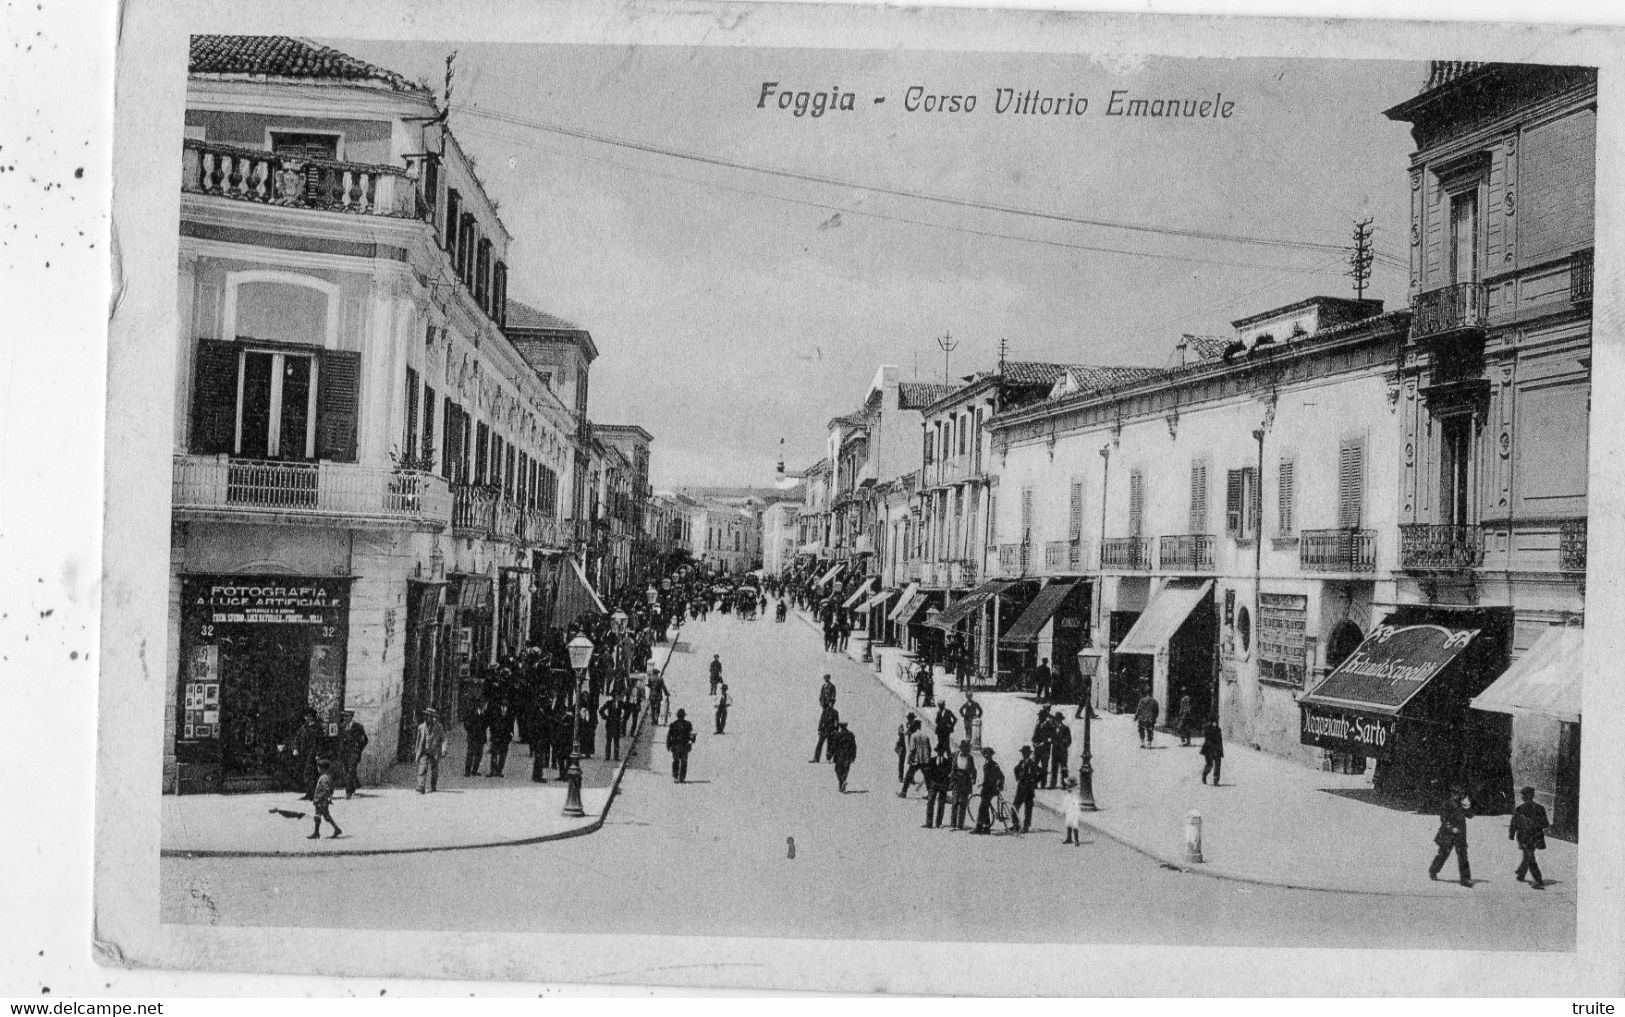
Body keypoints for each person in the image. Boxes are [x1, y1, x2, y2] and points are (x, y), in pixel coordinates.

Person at [1428, 787, 1473, 887]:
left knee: (1463, 856)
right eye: (1457, 794)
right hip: (1447, 834)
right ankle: (1433, 870)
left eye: (1460, 794)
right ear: (1452, 794)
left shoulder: (1461, 804)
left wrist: (1468, 806)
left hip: (1460, 835)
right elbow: (1444, 819)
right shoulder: (1447, 804)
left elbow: (1470, 815)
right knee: (1443, 855)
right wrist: (1451, 828)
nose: (1458, 796)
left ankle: (1465, 879)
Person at [1509, 786, 1549, 889]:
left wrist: (1512, 834)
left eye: (1523, 795)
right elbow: (1545, 824)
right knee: (1528, 855)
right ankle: (1521, 873)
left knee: (1530, 857)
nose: (1522, 797)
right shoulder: (1540, 808)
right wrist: (1536, 826)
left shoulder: (1520, 809)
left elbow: (1514, 823)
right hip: (1535, 837)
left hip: (1525, 837)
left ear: (1527, 796)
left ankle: (1538, 880)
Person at [413, 707, 446, 794]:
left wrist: (443, 750)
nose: (428, 718)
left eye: (430, 717)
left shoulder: (438, 727)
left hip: (435, 752)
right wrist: (417, 752)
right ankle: (421, 786)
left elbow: (443, 739)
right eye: (427, 716)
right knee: (422, 768)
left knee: (434, 770)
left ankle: (433, 785)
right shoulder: (421, 727)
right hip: (424, 751)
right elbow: (418, 741)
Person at [307, 758, 342, 840]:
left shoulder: (324, 778)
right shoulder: (326, 777)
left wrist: (322, 798)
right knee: (322, 816)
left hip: (321, 801)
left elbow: (326, 789)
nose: (318, 769)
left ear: (322, 768)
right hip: (322, 800)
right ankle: (317, 832)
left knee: (322, 816)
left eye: (319, 767)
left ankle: (334, 829)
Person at [292, 708, 323, 799]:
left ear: (311, 717)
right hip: (303, 754)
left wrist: (318, 754)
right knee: (305, 773)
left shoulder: (317, 728)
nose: (306, 718)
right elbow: (297, 739)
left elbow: (321, 743)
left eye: (308, 716)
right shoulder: (303, 728)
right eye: (306, 716)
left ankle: (313, 793)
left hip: (312, 754)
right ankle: (308, 793)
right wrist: (295, 748)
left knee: (310, 773)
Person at [973, 748, 1005, 834]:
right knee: (985, 807)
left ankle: (979, 828)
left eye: (988, 756)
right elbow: (987, 778)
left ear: (991, 756)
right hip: (987, 789)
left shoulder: (994, 765)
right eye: (985, 755)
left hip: (992, 789)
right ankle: (986, 828)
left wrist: (998, 784)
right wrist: (982, 784)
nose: (986, 757)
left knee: (982, 807)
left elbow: (1000, 776)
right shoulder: (985, 765)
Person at [337, 710, 368, 799]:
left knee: (350, 771)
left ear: (351, 717)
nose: (345, 718)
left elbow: (365, 739)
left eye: (346, 717)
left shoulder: (358, 727)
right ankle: (354, 786)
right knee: (348, 771)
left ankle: (348, 792)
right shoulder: (343, 726)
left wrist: (358, 749)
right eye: (344, 717)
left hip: (353, 753)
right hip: (345, 753)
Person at [948, 739, 977, 831]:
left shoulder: (970, 758)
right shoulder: (955, 755)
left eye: (966, 750)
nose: (965, 751)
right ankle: (953, 823)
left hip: (966, 781)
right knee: (955, 802)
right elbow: (951, 767)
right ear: (961, 748)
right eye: (964, 749)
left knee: (963, 803)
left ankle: (960, 824)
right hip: (956, 780)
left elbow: (973, 770)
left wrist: (973, 779)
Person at [1012, 745, 1042, 833]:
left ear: (1028, 754)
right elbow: (1015, 769)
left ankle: (1026, 826)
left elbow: (1041, 773)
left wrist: (1034, 782)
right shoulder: (1021, 762)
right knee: (1014, 806)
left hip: (1029, 789)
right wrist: (1017, 777)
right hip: (1021, 788)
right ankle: (1015, 824)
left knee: (1028, 809)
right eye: (1023, 753)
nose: (1024, 755)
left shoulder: (1032, 763)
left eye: (1025, 753)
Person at [901, 718, 933, 797]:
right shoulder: (925, 736)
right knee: (927, 777)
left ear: (914, 727)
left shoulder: (913, 736)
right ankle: (930, 794)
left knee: (908, 776)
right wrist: (928, 758)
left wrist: (909, 759)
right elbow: (929, 749)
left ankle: (903, 793)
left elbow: (912, 750)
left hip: (916, 760)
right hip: (925, 760)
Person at [923, 745, 952, 828]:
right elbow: (927, 773)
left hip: (943, 784)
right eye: (939, 751)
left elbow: (948, 773)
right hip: (934, 784)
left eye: (942, 751)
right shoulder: (931, 760)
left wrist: (946, 784)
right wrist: (929, 785)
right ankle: (929, 823)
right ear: (936, 752)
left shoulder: (947, 762)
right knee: (930, 802)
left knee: (941, 804)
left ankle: (938, 823)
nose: (940, 752)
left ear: (944, 752)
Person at [487, 698, 516, 777]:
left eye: (506, 700)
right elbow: (492, 722)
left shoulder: (511, 712)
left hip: (505, 736)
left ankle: (500, 770)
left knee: (503, 754)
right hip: (496, 734)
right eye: (503, 700)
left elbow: (511, 723)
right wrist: (492, 732)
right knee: (494, 753)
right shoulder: (495, 710)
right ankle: (493, 769)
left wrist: (511, 733)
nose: (505, 702)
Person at [462, 696, 490, 777]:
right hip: (472, 736)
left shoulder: (486, 713)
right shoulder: (472, 712)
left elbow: (487, 723)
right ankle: (467, 771)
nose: (482, 704)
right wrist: (471, 730)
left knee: (479, 754)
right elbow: (466, 723)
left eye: (484, 703)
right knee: (470, 753)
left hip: (481, 737)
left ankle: (474, 770)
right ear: (478, 704)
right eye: (481, 703)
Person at [667, 708, 696, 782]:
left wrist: (668, 745)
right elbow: (692, 735)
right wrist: (692, 740)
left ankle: (675, 776)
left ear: (677, 716)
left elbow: (669, 736)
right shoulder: (688, 724)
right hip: (684, 746)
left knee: (676, 761)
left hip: (675, 746)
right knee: (684, 762)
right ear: (684, 716)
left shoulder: (673, 724)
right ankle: (682, 777)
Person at [1046, 714, 1072, 789]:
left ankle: (1064, 784)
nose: (1056, 721)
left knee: (1064, 768)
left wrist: (1064, 745)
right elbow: (1050, 737)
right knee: (1054, 768)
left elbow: (1069, 740)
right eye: (1056, 720)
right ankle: (1052, 784)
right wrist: (1050, 740)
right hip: (1055, 751)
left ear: (1060, 720)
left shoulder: (1066, 728)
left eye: (1057, 720)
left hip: (1063, 752)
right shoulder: (1053, 728)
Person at [831, 721, 858, 792]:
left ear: (840, 727)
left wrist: (830, 754)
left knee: (837, 770)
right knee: (845, 770)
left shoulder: (837, 734)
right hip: (848, 756)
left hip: (839, 755)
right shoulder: (850, 734)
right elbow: (854, 747)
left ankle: (842, 782)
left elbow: (834, 746)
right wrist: (853, 756)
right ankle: (843, 783)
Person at [1199, 717, 1225, 785]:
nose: (1215, 723)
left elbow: (1220, 740)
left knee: (1217, 765)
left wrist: (1220, 750)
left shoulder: (1218, 730)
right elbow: (1207, 738)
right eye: (1213, 722)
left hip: (1217, 749)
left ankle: (1216, 780)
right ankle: (1204, 774)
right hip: (1208, 749)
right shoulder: (1207, 729)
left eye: (1216, 722)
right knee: (1209, 765)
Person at [894, 715, 913, 783]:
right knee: (901, 762)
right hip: (902, 746)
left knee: (911, 762)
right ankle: (900, 777)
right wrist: (905, 732)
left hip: (909, 746)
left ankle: (910, 778)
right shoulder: (902, 725)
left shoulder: (913, 726)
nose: (911, 721)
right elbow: (899, 732)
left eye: (912, 719)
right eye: (910, 719)